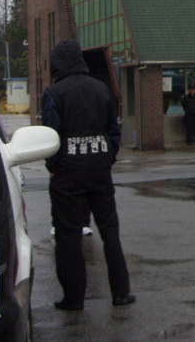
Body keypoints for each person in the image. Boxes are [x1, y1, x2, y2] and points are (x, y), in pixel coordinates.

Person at [42, 39, 135, 310]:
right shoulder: (100, 88)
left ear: (58, 63)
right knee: (110, 232)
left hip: (67, 175)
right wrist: (107, 158)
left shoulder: (54, 93)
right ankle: (121, 293)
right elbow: (113, 130)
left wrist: (54, 167)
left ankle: (74, 298)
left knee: (68, 236)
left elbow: (51, 136)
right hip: (99, 172)